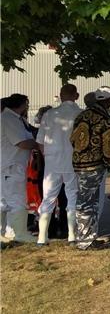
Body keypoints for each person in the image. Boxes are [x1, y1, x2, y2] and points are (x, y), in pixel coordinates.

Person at [70, 86, 110, 250]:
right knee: (89, 202)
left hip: (79, 163)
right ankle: (86, 241)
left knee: (84, 200)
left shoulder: (81, 115)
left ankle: (85, 237)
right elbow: (109, 145)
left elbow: (73, 139)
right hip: (94, 165)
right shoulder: (104, 118)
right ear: (107, 100)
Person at [35, 84, 82, 245]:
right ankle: (72, 235)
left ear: (61, 96)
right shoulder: (81, 114)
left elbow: (40, 141)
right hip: (73, 161)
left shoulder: (49, 114)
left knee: (48, 197)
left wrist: (47, 155)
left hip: (52, 162)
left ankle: (42, 237)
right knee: (72, 196)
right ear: (76, 96)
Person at [1, 94, 39, 243]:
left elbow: (30, 132)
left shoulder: (15, 119)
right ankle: (20, 233)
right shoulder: (9, 119)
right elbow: (22, 143)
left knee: (4, 201)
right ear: (23, 104)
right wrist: (38, 144)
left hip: (10, 165)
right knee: (17, 200)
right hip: (11, 166)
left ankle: (7, 232)